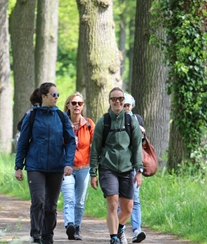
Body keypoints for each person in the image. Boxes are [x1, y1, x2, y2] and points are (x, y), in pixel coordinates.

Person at [14, 82, 76, 244]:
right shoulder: (32, 116)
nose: (56, 98)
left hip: (56, 167)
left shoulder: (62, 117)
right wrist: (18, 166)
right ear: (44, 96)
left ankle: (48, 236)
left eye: (57, 95)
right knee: (39, 201)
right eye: (53, 95)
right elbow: (23, 142)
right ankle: (36, 234)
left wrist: (68, 163)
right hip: (35, 166)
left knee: (51, 206)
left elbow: (70, 141)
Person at [89, 87, 143, 244]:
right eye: (114, 99)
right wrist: (93, 173)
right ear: (109, 101)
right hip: (108, 167)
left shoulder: (130, 121)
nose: (117, 101)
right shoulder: (103, 122)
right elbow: (95, 149)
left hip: (127, 169)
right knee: (113, 203)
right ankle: (113, 238)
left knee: (127, 209)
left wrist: (139, 170)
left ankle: (119, 228)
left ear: (124, 101)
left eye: (120, 98)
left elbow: (136, 147)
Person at [61, 92, 95, 240]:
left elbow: (96, 145)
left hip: (84, 168)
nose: (76, 106)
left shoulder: (88, 124)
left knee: (80, 201)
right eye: (73, 103)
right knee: (69, 198)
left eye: (79, 103)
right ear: (68, 105)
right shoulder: (62, 123)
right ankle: (70, 225)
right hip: (66, 168)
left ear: (82, 106)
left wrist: (95, 168)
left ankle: (77, 228)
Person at [123, 94, 146, 243]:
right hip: (119, 165)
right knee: (121, 200)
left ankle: (137, 230)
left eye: (128, 105)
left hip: (134, 164)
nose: (126, 108)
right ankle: (120, 230)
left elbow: (141, 145)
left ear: (132, 106)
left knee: (135, 199)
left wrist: (142, 132)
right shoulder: (112, 119)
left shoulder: (137, 119)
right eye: (124, 105)